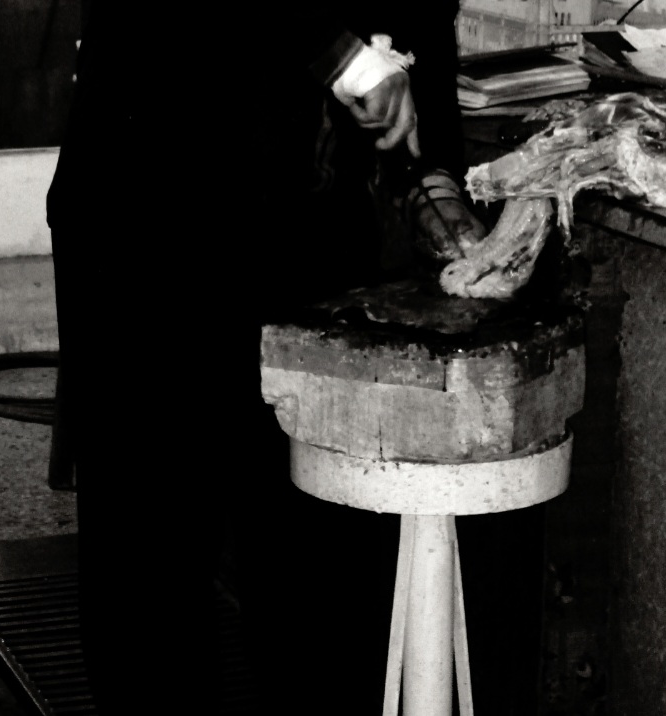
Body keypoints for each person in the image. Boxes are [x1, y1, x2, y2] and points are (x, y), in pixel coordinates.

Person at [46, 2, 494, 712]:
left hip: (303, 236)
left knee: (309, 548)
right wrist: (342, 56)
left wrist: (433, 174)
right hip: (150, 215)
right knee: (151, 554)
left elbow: (421, 21)